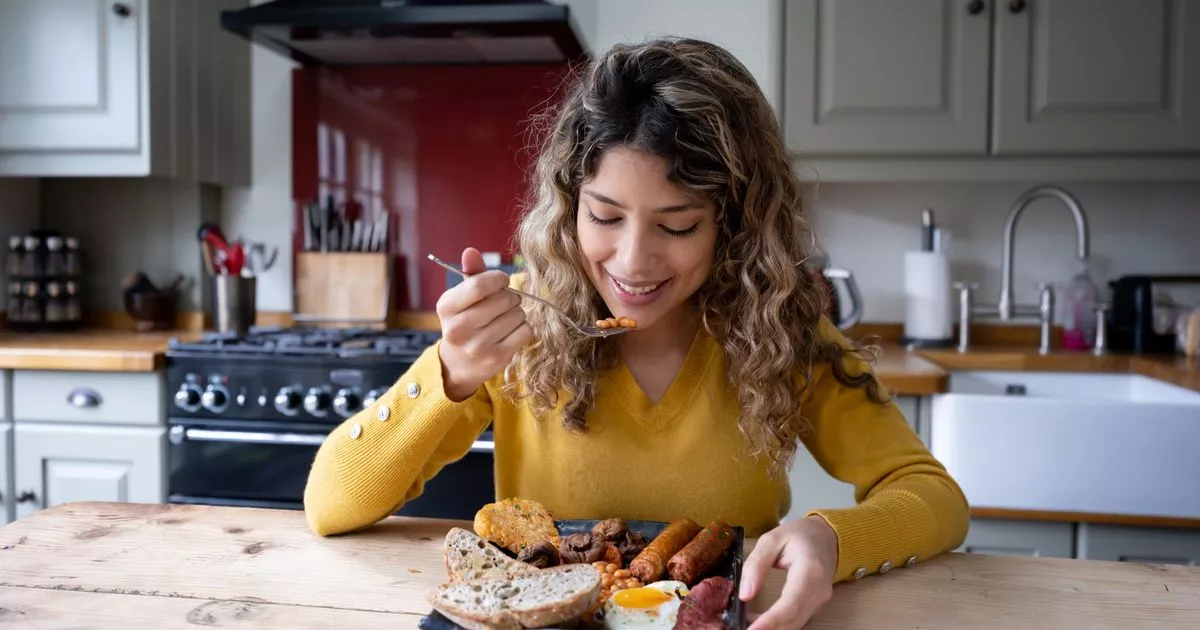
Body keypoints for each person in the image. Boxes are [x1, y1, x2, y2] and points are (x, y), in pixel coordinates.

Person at [303, 37, 969, 629]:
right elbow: (329, 503)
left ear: (732, 224)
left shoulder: (783, 334)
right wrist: (449, 369)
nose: (632, 262)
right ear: (569, 209)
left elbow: (934, 497)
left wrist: (832, 538)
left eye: (677, 226)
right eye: (605, 216)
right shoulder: (522, 326)